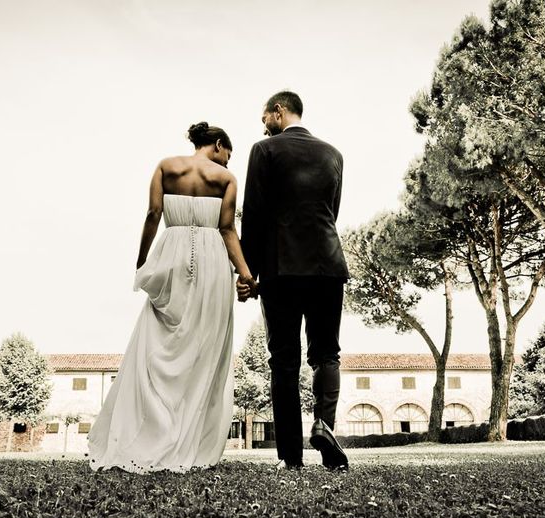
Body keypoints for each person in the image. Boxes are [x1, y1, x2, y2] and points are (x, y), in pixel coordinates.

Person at [88, 122, 255, 473]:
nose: (227, 161)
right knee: (203, 348)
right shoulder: (226, 179)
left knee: (159, 343)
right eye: (228, 154)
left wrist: (142, 260)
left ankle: (153, 431)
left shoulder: (165, 166)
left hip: (172, 255)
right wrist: (245, 272)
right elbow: (227, 229)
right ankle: (187, 439)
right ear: (219, 145)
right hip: (211, 259)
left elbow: (153, 214)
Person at [238, 91, 350, 471]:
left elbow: (252, 214)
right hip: (327, 266)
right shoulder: (333, 154)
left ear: (278, 111)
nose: (263, 126)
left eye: (265, 118)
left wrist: (248, 272)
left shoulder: (264, 150)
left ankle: (291, 455)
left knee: (284, 360)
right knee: (327, 353)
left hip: (281, 268)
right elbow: (331, 212)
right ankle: (324, 426)